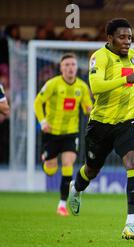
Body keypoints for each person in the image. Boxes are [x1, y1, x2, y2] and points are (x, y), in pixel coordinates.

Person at [67, 18, 134, 240]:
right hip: (100, 123)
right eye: (122, 37)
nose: (127, 42)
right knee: (91, 170)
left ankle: (131, 224)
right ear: (110, 38)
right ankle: (76, 188)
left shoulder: (132, 55)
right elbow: (96, 87)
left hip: (127, 120)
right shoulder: (100, 57)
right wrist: (127, 78)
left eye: (130, 37)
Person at [34, 53, 92, 216]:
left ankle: (62, 205)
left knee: (68, 163)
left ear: (76, 67)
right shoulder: (52, 84)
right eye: (66, 65)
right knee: (51, 170)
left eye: (73, 64)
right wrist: (42, 122)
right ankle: (47, 161)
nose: (70, 68)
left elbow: (87, 106)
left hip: (70, 133)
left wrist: (90, 110)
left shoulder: (82, 87)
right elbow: (38, 102)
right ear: (61, 68)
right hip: (51, 133)